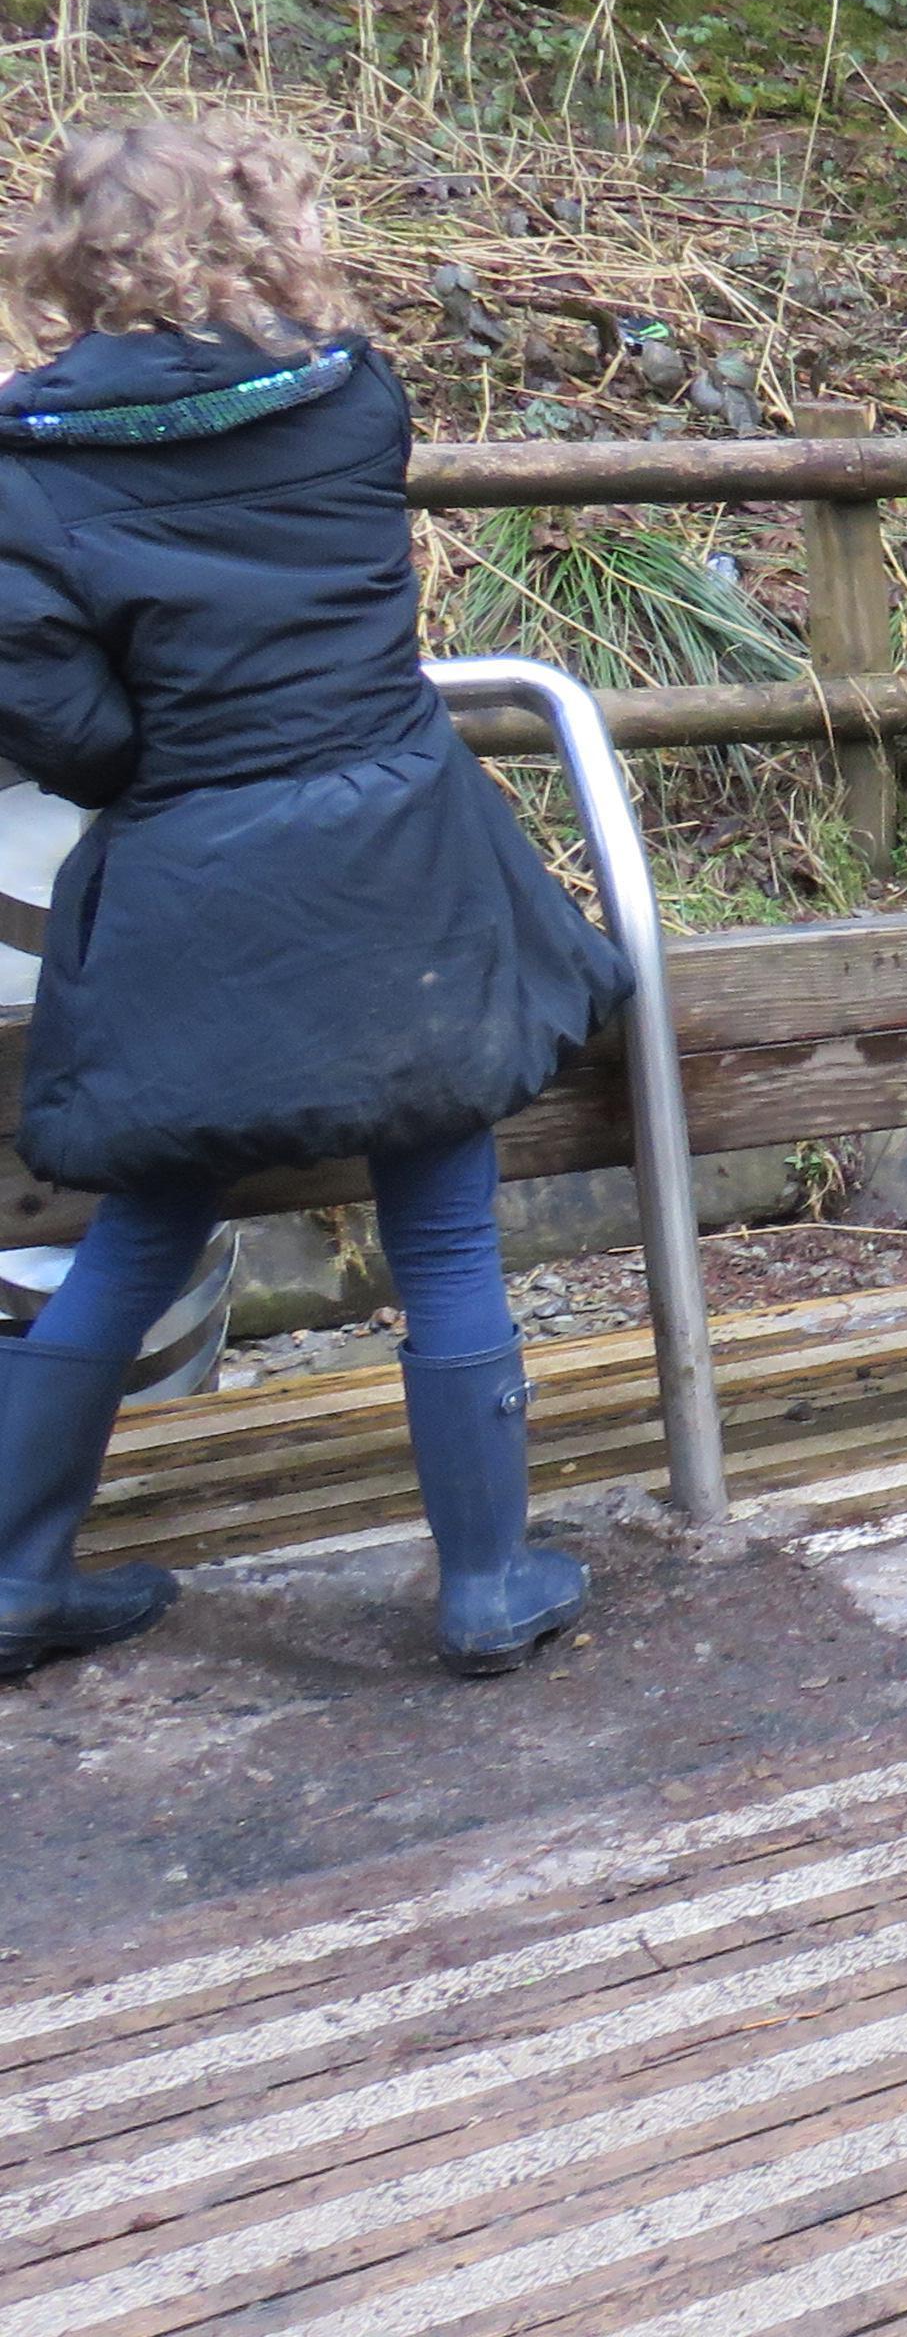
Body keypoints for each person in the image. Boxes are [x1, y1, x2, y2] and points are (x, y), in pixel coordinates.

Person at [0, 116, 630, 1680]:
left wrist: (182, 749)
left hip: (192, 887)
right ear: (267, 228)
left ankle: (14, 1580)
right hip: (400, 868)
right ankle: (487, 1583)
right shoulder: (351, 397)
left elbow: (72, 735)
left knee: (139, 1231)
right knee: (445, 1227)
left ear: (71, 256)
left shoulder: (21, 472)